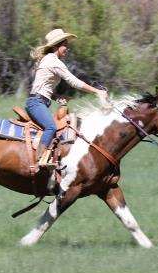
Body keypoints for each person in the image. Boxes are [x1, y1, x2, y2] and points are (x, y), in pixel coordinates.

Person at [27, 28, 109, 168]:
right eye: (65, 45)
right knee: (51, 127)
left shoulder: (49, 60)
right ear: (55, 46)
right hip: (36, 103)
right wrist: (97, 91)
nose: (67, 48)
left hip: (38, 102)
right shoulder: (53, 61)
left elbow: (41, 88)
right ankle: (38, 160)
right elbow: (74, 82)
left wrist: (57, 97)